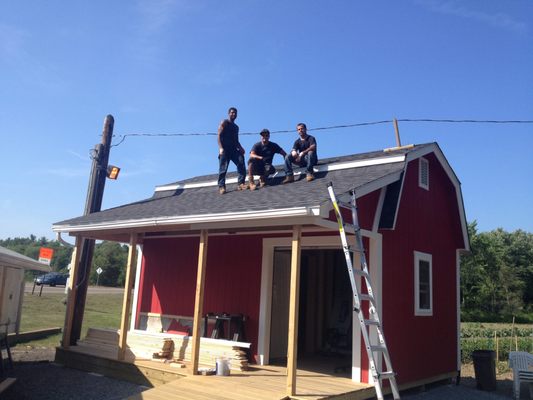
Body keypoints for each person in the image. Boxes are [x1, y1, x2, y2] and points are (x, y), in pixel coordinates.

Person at [217, 107, 247, 194]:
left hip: (233, 149)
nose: (233, 114)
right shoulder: (224, 122)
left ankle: (241, 183)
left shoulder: (236, 127)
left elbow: (236, 141)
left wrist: (241, 148)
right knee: (223, 168)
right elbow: (219, 135)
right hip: (225, 149)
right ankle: (221, 186)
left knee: (241, 160)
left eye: (235, 113)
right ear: (229, 113)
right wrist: (221, 148)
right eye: (232, 112)